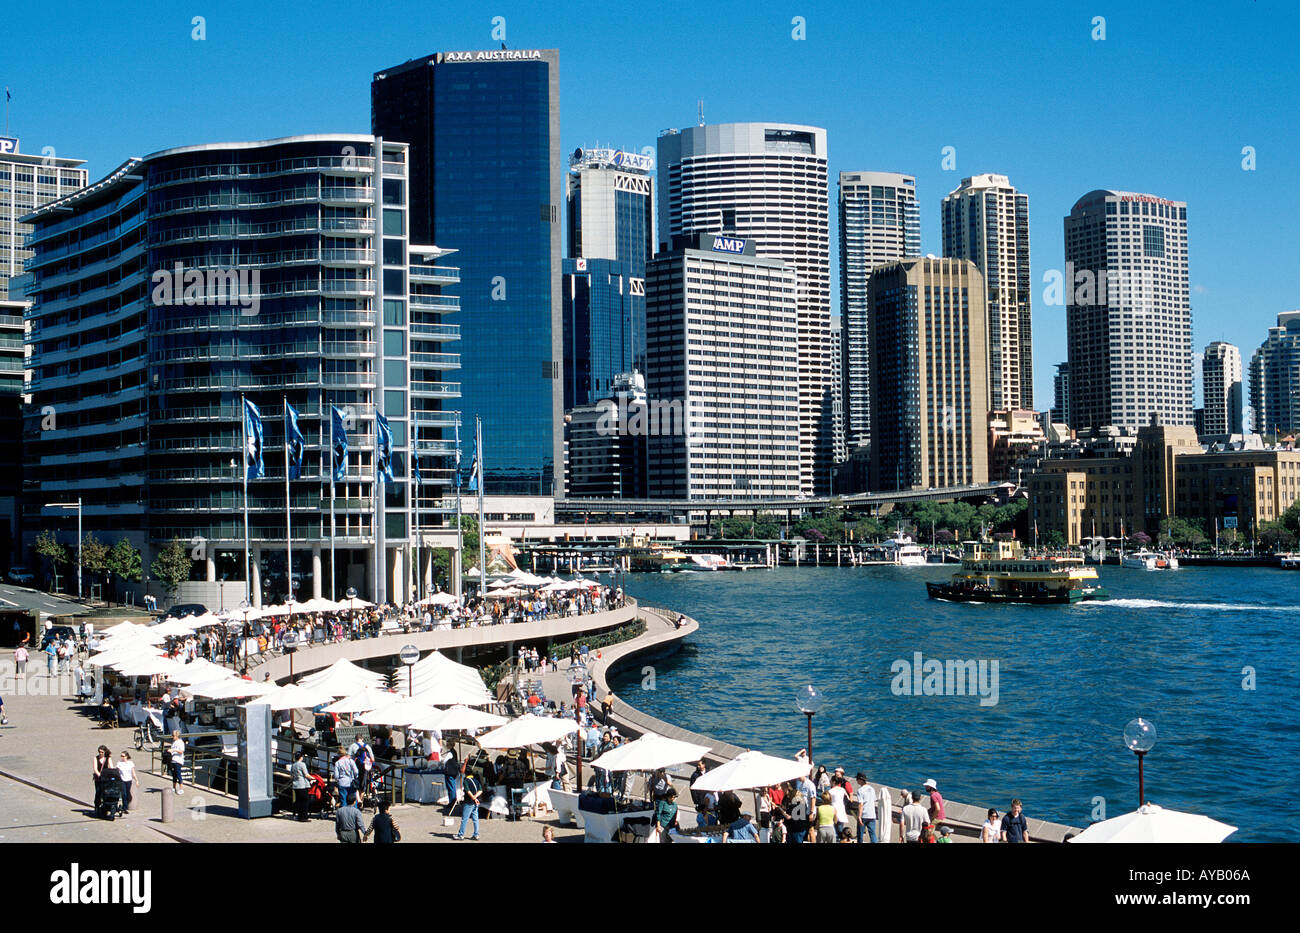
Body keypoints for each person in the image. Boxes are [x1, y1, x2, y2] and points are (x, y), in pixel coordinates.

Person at [455, 769, 482, 840]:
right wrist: (476, 798)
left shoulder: (466, 781)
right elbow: (480, 790)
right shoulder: (476, 780)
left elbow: (468, 791)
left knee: (464, 819)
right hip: (476, 802)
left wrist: (473, 798)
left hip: (469, 802)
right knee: (475, 819)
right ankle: (476, 834)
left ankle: (461, 834)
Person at [855, 773, 878, 844]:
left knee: (860, 834)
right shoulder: (872, 789)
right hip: (872, 814)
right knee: (872, 834)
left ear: (861, 780)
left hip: (864, 815)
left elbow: (861, 804)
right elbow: (874, 800)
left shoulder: (860, 790)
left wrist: (859, 816)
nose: (856, 781)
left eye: (857, 779)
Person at [291, 752, 312, 822]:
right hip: (302, 784)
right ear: (301, 757)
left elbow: (291, 776)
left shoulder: (293, 765)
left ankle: (299, 816)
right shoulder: (302, 764)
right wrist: (313, 778)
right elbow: (306, 775)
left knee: (299, 801)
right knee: (305, 801)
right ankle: (304, 816)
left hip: (295, 785)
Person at [441, 747, 461, 814]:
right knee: (452, 786)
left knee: (450, 787)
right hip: (454, 771)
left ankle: (452, 801)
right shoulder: (454, 751)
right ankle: (453, 801)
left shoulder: (450, 753)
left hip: (450, 771)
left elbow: (444, 761)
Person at [92, 746, 112, 813]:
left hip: (106, 778)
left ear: (105, 752)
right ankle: (97, 805)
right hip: (98, 779)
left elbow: (111, 767)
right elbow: (95, 769)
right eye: (99, 752)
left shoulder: (108, 758)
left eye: (102, 752)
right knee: (98, 792)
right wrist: (100, 775)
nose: (100, 753)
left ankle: (106, 806)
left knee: (106, 792)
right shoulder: (96, 758)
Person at [168, 731, 186, 795]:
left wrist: (174, 750)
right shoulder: (174, 742)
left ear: (177, 736)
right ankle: (174, 787)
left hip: (178, 760)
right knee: (174, 775)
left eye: (173, 735)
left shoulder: (180, 742)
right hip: (173, 759)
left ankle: (181, 788)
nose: (172, 737)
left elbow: (181, 751)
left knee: (178, 774)